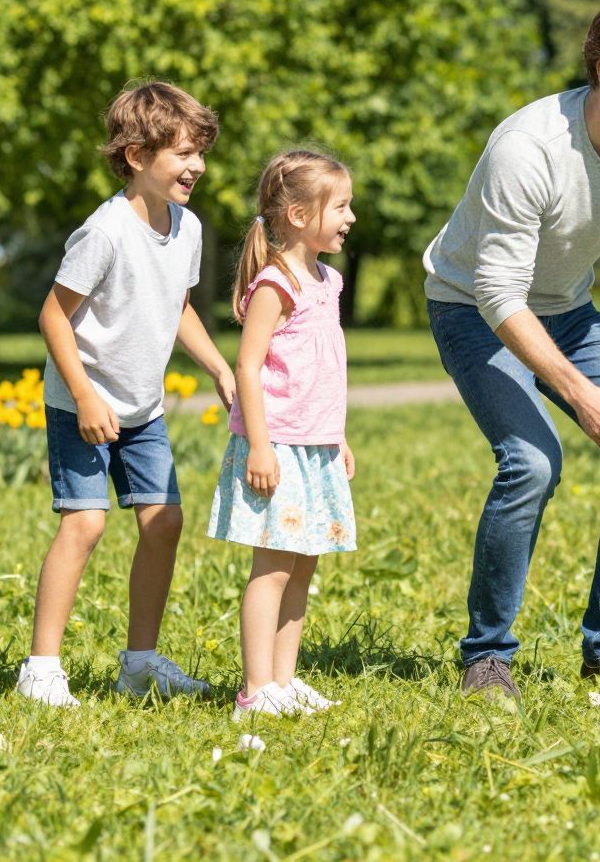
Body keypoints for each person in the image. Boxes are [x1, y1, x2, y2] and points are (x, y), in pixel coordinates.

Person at [423, 0, 600, 705]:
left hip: (568, 312)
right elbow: (499, 295)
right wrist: (578, 392)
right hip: (475, 310)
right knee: (533, 464)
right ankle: (487, 656)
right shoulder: (529, 147)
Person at [19, 82, 236, 708]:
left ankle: (139, 664)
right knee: (84, 525)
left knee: (165, 522)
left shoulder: (188, 227)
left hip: (142, 407)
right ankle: (41, 669)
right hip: (83, 402)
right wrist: (85, 397)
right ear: (136, 156)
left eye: (200, 153)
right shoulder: (106, 231)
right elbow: (53, 317)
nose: (196, 166)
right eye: (183, 153)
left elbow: (179, 308)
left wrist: (220, 369)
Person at [207, 150, 358, 719]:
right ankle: (255, 689)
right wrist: (262, 445)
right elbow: (247, 367)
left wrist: (336, 436)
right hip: (278, 448)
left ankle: (285, 680)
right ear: (298, 214)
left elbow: (326, 369)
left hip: (313, 446)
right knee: (271, 568)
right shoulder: (275, 283)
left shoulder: (329, 279)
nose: (349, 217)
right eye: (340, 206)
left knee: (304, 563)